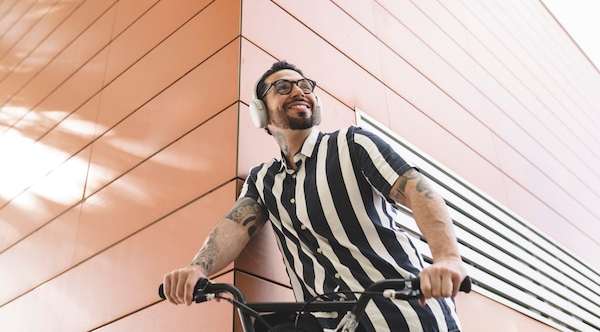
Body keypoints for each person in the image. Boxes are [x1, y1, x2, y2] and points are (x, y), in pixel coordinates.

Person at [162, 61, 468, 331]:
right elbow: (235, 225)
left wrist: (449, 259)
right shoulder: (263, 180)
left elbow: (418, 191)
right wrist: (197, 268)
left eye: (304, 85)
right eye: (283, 87)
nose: (298, 91)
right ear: (260, 112)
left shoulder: (352, 144)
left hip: (409, 317)